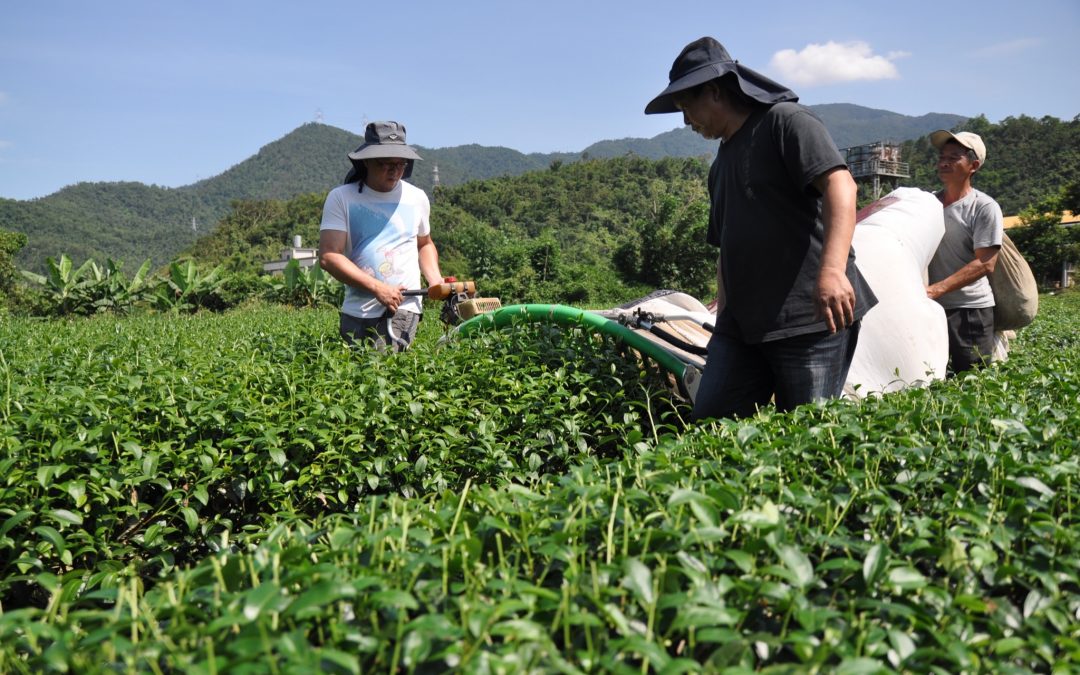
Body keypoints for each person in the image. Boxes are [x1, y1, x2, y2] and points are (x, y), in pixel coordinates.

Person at [644, 37, 877, 419]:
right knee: (713, 424)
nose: (686, 122)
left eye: (687, 108)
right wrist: (723, 318)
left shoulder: (785, 122)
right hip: (741, 330)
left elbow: (841, 185)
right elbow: (727, 249)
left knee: (807, 434)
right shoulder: (720, 165)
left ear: (715, 91)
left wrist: (833, 272)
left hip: (808, 321)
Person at [318, 121, 443, 350]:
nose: (394, 169)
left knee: (383, 372)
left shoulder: (416, 198)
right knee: (358, 377)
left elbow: (424, 243)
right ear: (366, 161)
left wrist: (435, 280)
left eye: (400, 163)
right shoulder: (342, 198)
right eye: (385, 163)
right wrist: (377, 288)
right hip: (356, 309)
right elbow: (329, 256)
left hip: (402, 308)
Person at [925, 130, 1003, 373]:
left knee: (971, 382)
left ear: (974, 166)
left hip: (969, 311)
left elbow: (986, 263)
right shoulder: (928, 204)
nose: (944, 162)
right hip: (932, 307)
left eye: (954, 157)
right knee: (931, 380)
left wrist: (936, 289)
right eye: (942, 156)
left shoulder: (983, 207)